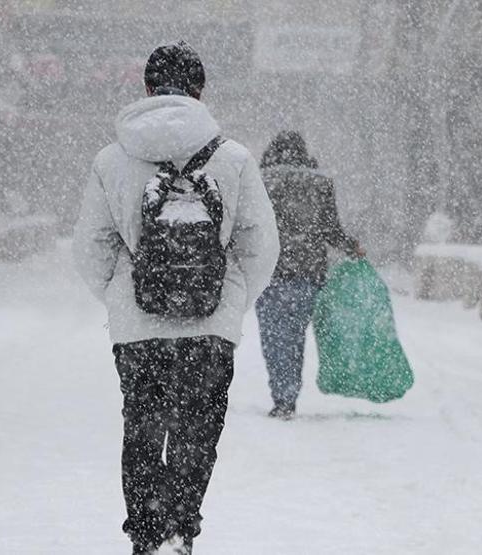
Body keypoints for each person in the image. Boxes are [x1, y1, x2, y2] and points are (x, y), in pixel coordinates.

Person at [73, 42, 279, 555]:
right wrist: (228, 299)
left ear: (146, 89)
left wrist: (123, 295)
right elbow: (260, 245)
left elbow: (91, 248)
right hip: (210, 327)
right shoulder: (232, 158)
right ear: (200, 91)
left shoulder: (111, 161)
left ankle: (146, 535)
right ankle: (180, 531)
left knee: (143, 429)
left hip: (137, 329)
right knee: (196, 431)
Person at [256, 131, 364, 419]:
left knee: (274, 338)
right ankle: (290, 391)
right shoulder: (320, 183)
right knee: (294, 336)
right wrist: (352, 247)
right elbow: (331, 229)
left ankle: (282, 396)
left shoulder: (260, 181)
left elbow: (248, 227)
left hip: (268, 273)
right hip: (307, 274)